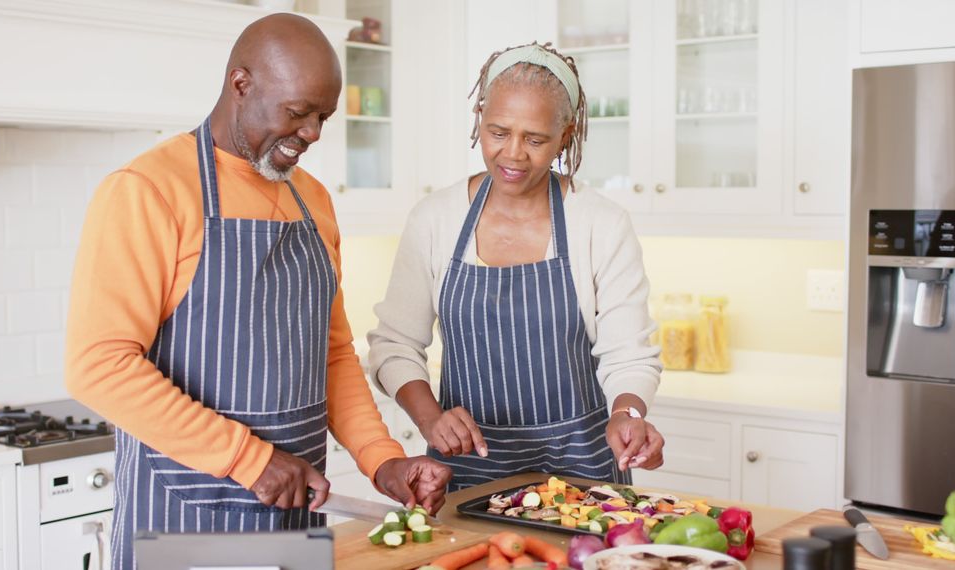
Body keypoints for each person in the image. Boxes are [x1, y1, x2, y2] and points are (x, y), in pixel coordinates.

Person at [65, 14, 450, 568]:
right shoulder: (148, 191)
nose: (314, 133)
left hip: (293, 521)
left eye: (323, 117)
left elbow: (333, 354)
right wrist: (250, 459)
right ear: (241, 84)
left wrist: (381, 459)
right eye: (298, 113)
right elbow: (97, 365)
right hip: (183, 524)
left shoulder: (312, 199)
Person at [367, 42, 665, 492]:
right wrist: (430, 419)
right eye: (499, 132)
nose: (513, 154)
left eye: (535, 139)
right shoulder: (435, 218)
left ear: (564, 136)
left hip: (583, 465)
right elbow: (394, 344)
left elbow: (629, 353)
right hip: (467, 465)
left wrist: (628, 414)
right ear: (480, 120)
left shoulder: (599, 222)